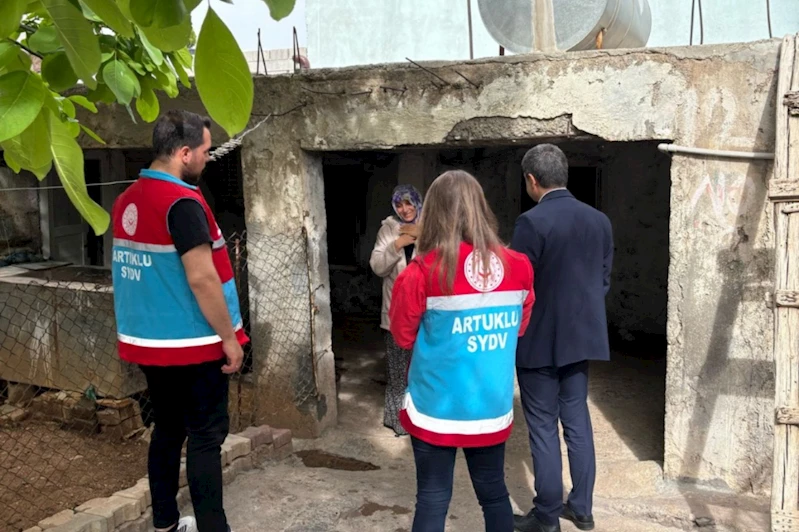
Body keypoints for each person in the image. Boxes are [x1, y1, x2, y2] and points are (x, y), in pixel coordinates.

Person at [111, 110, 249, 532]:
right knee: (206, 436)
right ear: (184, 153)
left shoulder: (127, 199)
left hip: (150, 343)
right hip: (192, 343)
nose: (208, 159)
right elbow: (202, 278)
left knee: (168, 430)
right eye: (205, 152)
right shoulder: (183, 203)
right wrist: (229, 338)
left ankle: (166, 524)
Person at [390, 170, 535, 532]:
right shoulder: (519, 266)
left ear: (433, 213)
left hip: (434, 407)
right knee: (494, 494)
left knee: (433, 498)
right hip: (490, 405)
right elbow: (519, 326)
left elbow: (403, 336)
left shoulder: (420, 272)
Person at [510, 144, 614, 532]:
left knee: (542, 426)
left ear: (532, 180)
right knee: (576, 419)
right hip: (581, 337)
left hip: (538, 340)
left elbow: (516, 286)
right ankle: (582, 508)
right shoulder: (600, 221)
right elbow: (601, 281)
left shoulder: (530, 223)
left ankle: (547, 514)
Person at [369, 184, 424, 436]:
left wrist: (420, 235)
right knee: (398, 370)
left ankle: (423, 420)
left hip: (427, 313)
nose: (405, 209)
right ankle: (397, 421)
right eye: (400, 204)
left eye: (410, 203)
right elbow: (378, 266)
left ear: (418, 202)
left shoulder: (431, 227)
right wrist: (398, 244)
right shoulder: (388, 229)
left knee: (424, 369)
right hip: (396, 312)